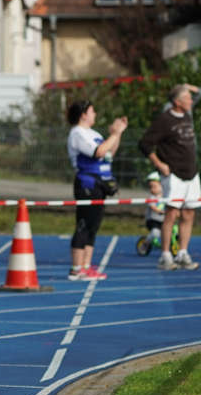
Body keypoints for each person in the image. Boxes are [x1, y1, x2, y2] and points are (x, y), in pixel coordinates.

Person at [139, 84, 201, 270]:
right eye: (187, 98)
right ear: (177, 102)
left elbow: (199, 93)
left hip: (191, 173)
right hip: (173, 174)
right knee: (172, 213)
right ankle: (165, 255)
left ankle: (182, 253)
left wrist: (185, 87)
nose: (191, 101)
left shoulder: (187, 114)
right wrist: (159, 164)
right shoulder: (164, 120)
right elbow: (144, 144)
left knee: (189, 213)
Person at [66, 100, 128, 280]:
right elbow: (98, 152)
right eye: (92, 111)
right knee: (84, 224)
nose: (95, 114)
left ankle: (86, 266)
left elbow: (109, 154)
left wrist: (117, 134)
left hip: (101, 183)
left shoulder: (93, 133)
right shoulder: (77, 133)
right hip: (87, 183)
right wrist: (114, 135)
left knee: (94, 226)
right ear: (83, 114)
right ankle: (76, 268)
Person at [144, 171, 165, 247]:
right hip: (153, 220)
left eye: (154, 186)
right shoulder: (152, 197)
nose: (152, 189)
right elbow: (153, 207)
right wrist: (161, 211)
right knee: (155, 233)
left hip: (162, 220)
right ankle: (146, 243)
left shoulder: (165, 196)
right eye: (150, 187)